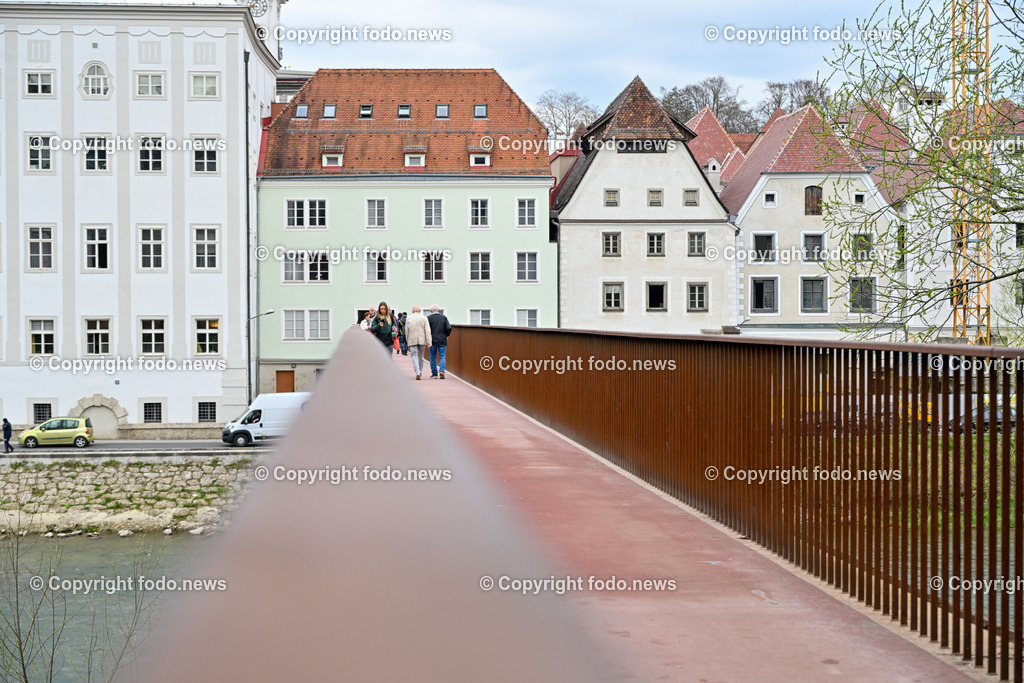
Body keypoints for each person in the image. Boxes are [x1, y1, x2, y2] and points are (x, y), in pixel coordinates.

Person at [404, 306, 432, 380]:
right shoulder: (424, 318)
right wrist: (429, 342)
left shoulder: (409, 318)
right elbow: (427, 331)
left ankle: (417, 372)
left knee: (414, 355)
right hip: (422, 340)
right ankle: (420, 371)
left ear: (413, 311)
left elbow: (406, 330)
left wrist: (407, 340)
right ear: (419, 311)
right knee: (421, 357)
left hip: (412, 339)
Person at [427, 304, 453, 379]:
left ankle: (434, 374)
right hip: (442, 339)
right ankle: (442, 371)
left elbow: (427, 329)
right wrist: (447, 335)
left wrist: (427, 339)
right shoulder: (444, 317)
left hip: (432, 340)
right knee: (442, 356)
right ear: (438, 310)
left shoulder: (429, 318)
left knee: (432, 357)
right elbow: (449, 328)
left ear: (431, 311)